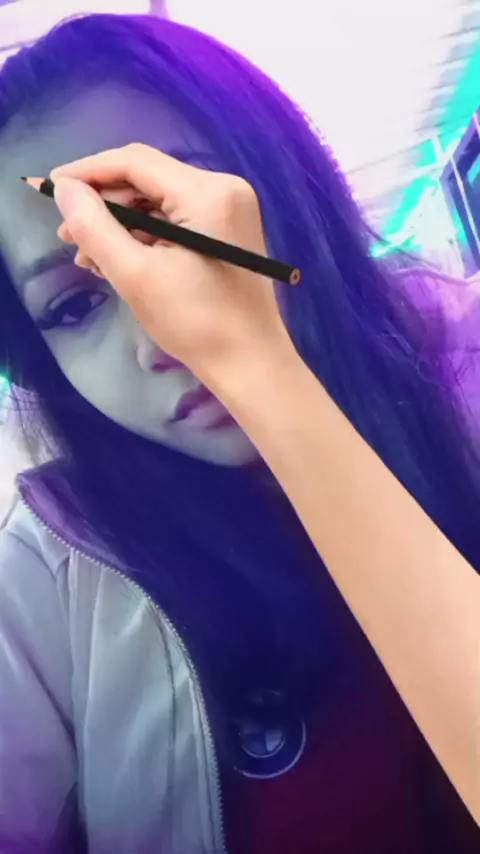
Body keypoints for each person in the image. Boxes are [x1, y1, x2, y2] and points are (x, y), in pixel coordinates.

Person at [0, 12, 478, 854]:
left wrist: (267, 377)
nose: (161, 333)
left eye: (171, 229)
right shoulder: (47, 579)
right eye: (75, 306)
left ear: (287, 180)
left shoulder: (464, 377)